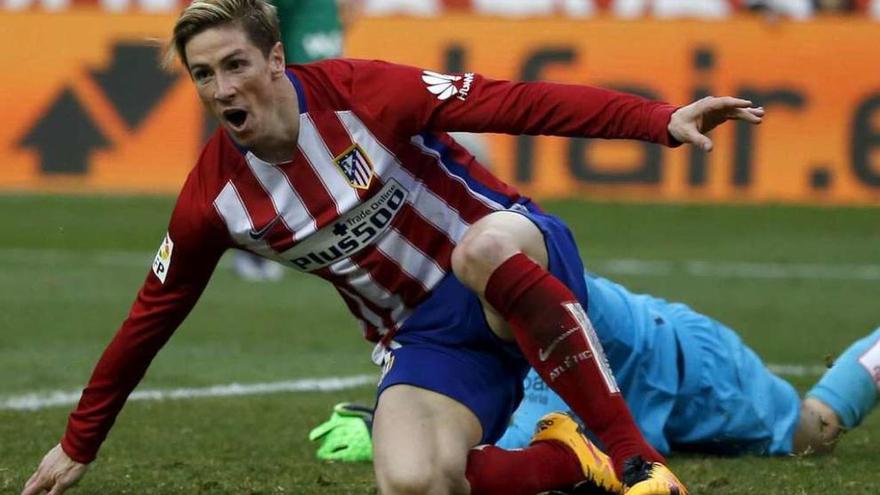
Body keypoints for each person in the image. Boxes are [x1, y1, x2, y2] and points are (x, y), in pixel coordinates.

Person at [20, 0, 766, 493]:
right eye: (204, 75)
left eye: (235, 64)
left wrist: (657, 121)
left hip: (510, 253)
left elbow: (514, 100)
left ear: (276, 60)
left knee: (479, 249)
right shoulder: (213, 200)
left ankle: (637, 458)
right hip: (428, 337)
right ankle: (570, 456)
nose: (221, 88)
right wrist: (80, 442)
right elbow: (150, 315)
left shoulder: (363, 93)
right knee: (414, 481)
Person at [310, 271, 879, 463]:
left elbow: (532, 444)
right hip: (600, 360)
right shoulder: (447, 299)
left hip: (686, 366)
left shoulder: (517, 282)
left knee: (815, 433)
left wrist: (387, 433)